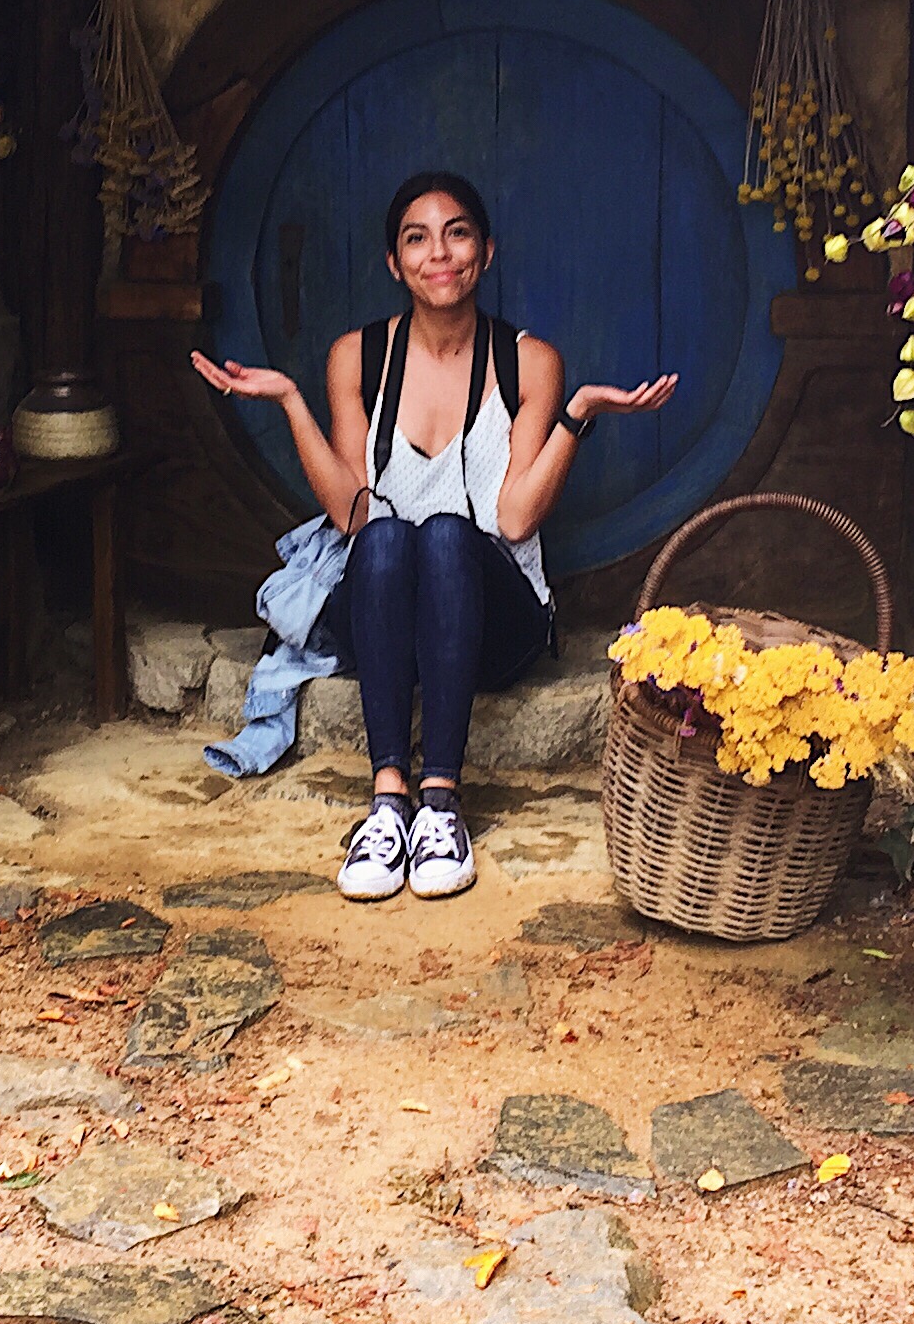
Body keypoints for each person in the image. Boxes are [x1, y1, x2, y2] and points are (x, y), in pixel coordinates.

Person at [192, 172, 676, 902]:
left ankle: (442, 805)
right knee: (386, 539)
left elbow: (515, 521)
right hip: (387, 612)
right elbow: (352, 516)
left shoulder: (529, 362)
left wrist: (576, 415)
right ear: (395, 263)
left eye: (457, 234)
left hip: (493, 625)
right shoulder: (356, 356)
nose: (439, 254)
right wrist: (291, 401)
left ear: (486, 251)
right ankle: (389, 805)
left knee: (447, 535)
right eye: (417, 239)